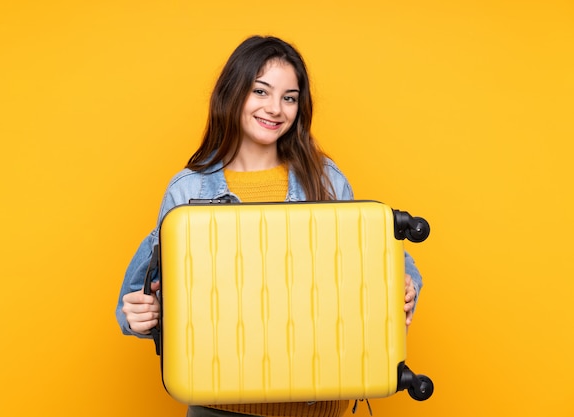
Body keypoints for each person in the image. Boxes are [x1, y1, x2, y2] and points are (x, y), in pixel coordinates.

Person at [116, 35, 423, 417]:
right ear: (233, 94)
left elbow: (385, 259)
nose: (275, 108)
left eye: (289, 98)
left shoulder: (326, 179)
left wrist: (404, 287)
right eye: (261, 91)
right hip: (220, 405)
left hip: (319, 404)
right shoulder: (189, 188)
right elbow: (138, 299)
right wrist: (144, 313)